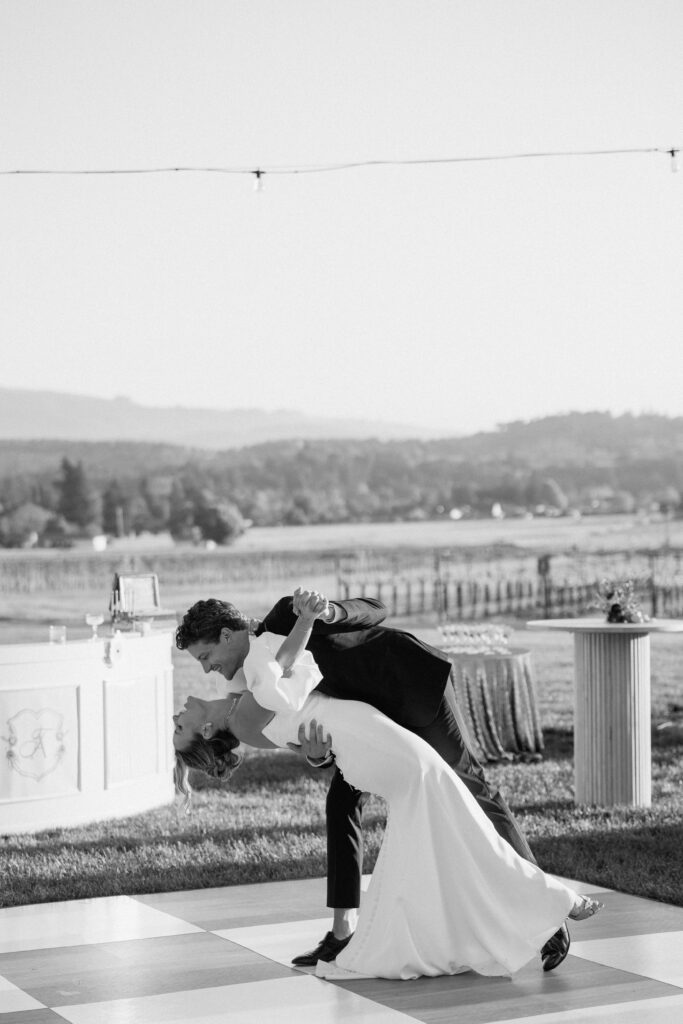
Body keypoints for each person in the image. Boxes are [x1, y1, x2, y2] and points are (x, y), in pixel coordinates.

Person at [173, 591, 602, 982]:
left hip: (406, 688)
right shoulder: (238, 682)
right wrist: (315, 754)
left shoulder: (288, 613)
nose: (208, 668)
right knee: (342, 804)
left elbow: (375, 608)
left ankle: (543, 914)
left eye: (206, 655)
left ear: (229, 635)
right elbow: (283, 725)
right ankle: (344, 930)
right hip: (362, 732)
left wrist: (330, 613)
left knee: (470, 787)